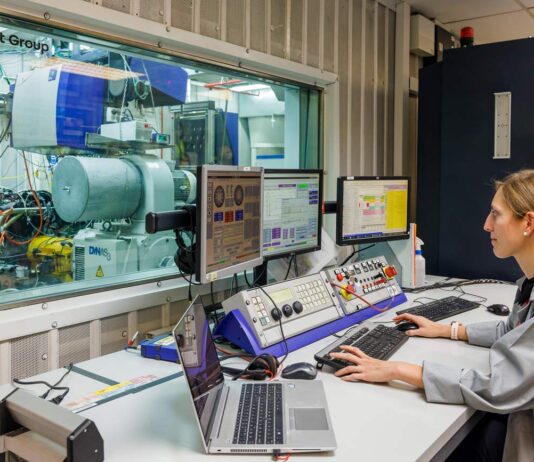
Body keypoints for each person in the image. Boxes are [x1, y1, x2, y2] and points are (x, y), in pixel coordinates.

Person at [330, 170, 534, 462]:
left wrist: (398, 370)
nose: (486, 225)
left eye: (495, 214)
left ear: (527, 222)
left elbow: (497, 388)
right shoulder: (530, 282)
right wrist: (447, 330)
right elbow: (512, 331)